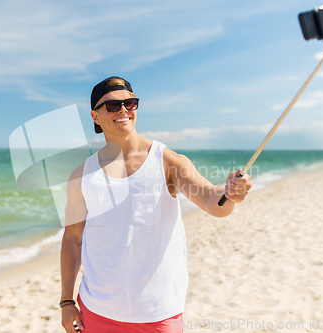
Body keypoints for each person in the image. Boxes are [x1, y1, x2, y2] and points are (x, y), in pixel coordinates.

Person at [60, 76, 252, 333]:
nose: (124, 110)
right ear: (96, 116)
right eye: (113, 106)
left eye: (130, 103)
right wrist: (66, 301)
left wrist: (229, 193)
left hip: (158, 314)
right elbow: (72, 237)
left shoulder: (168, 161)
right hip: (96, 311)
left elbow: (212, 201)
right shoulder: (81, 175)